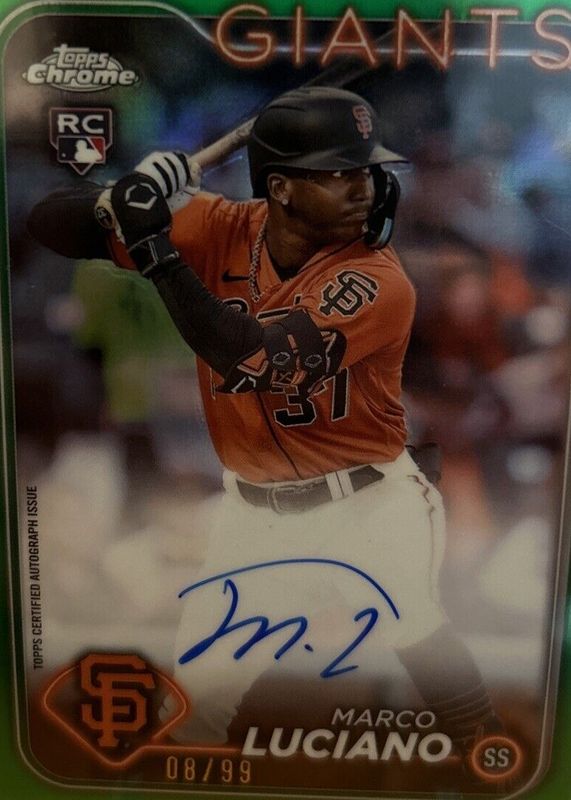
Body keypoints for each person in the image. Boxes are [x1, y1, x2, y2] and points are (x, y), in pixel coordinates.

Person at [28, 87, 500, 752]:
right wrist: (121, 198)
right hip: (254, 514)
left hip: (368, 502)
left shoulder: (376, 277)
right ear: (280, 188)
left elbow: (252, 358)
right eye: (339, 174)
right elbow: (47, 223)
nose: (364, 188)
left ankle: (486, 758)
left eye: (366, 171)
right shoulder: (221, 226)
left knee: (413, 627)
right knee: (197, 696)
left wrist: (154, 245)